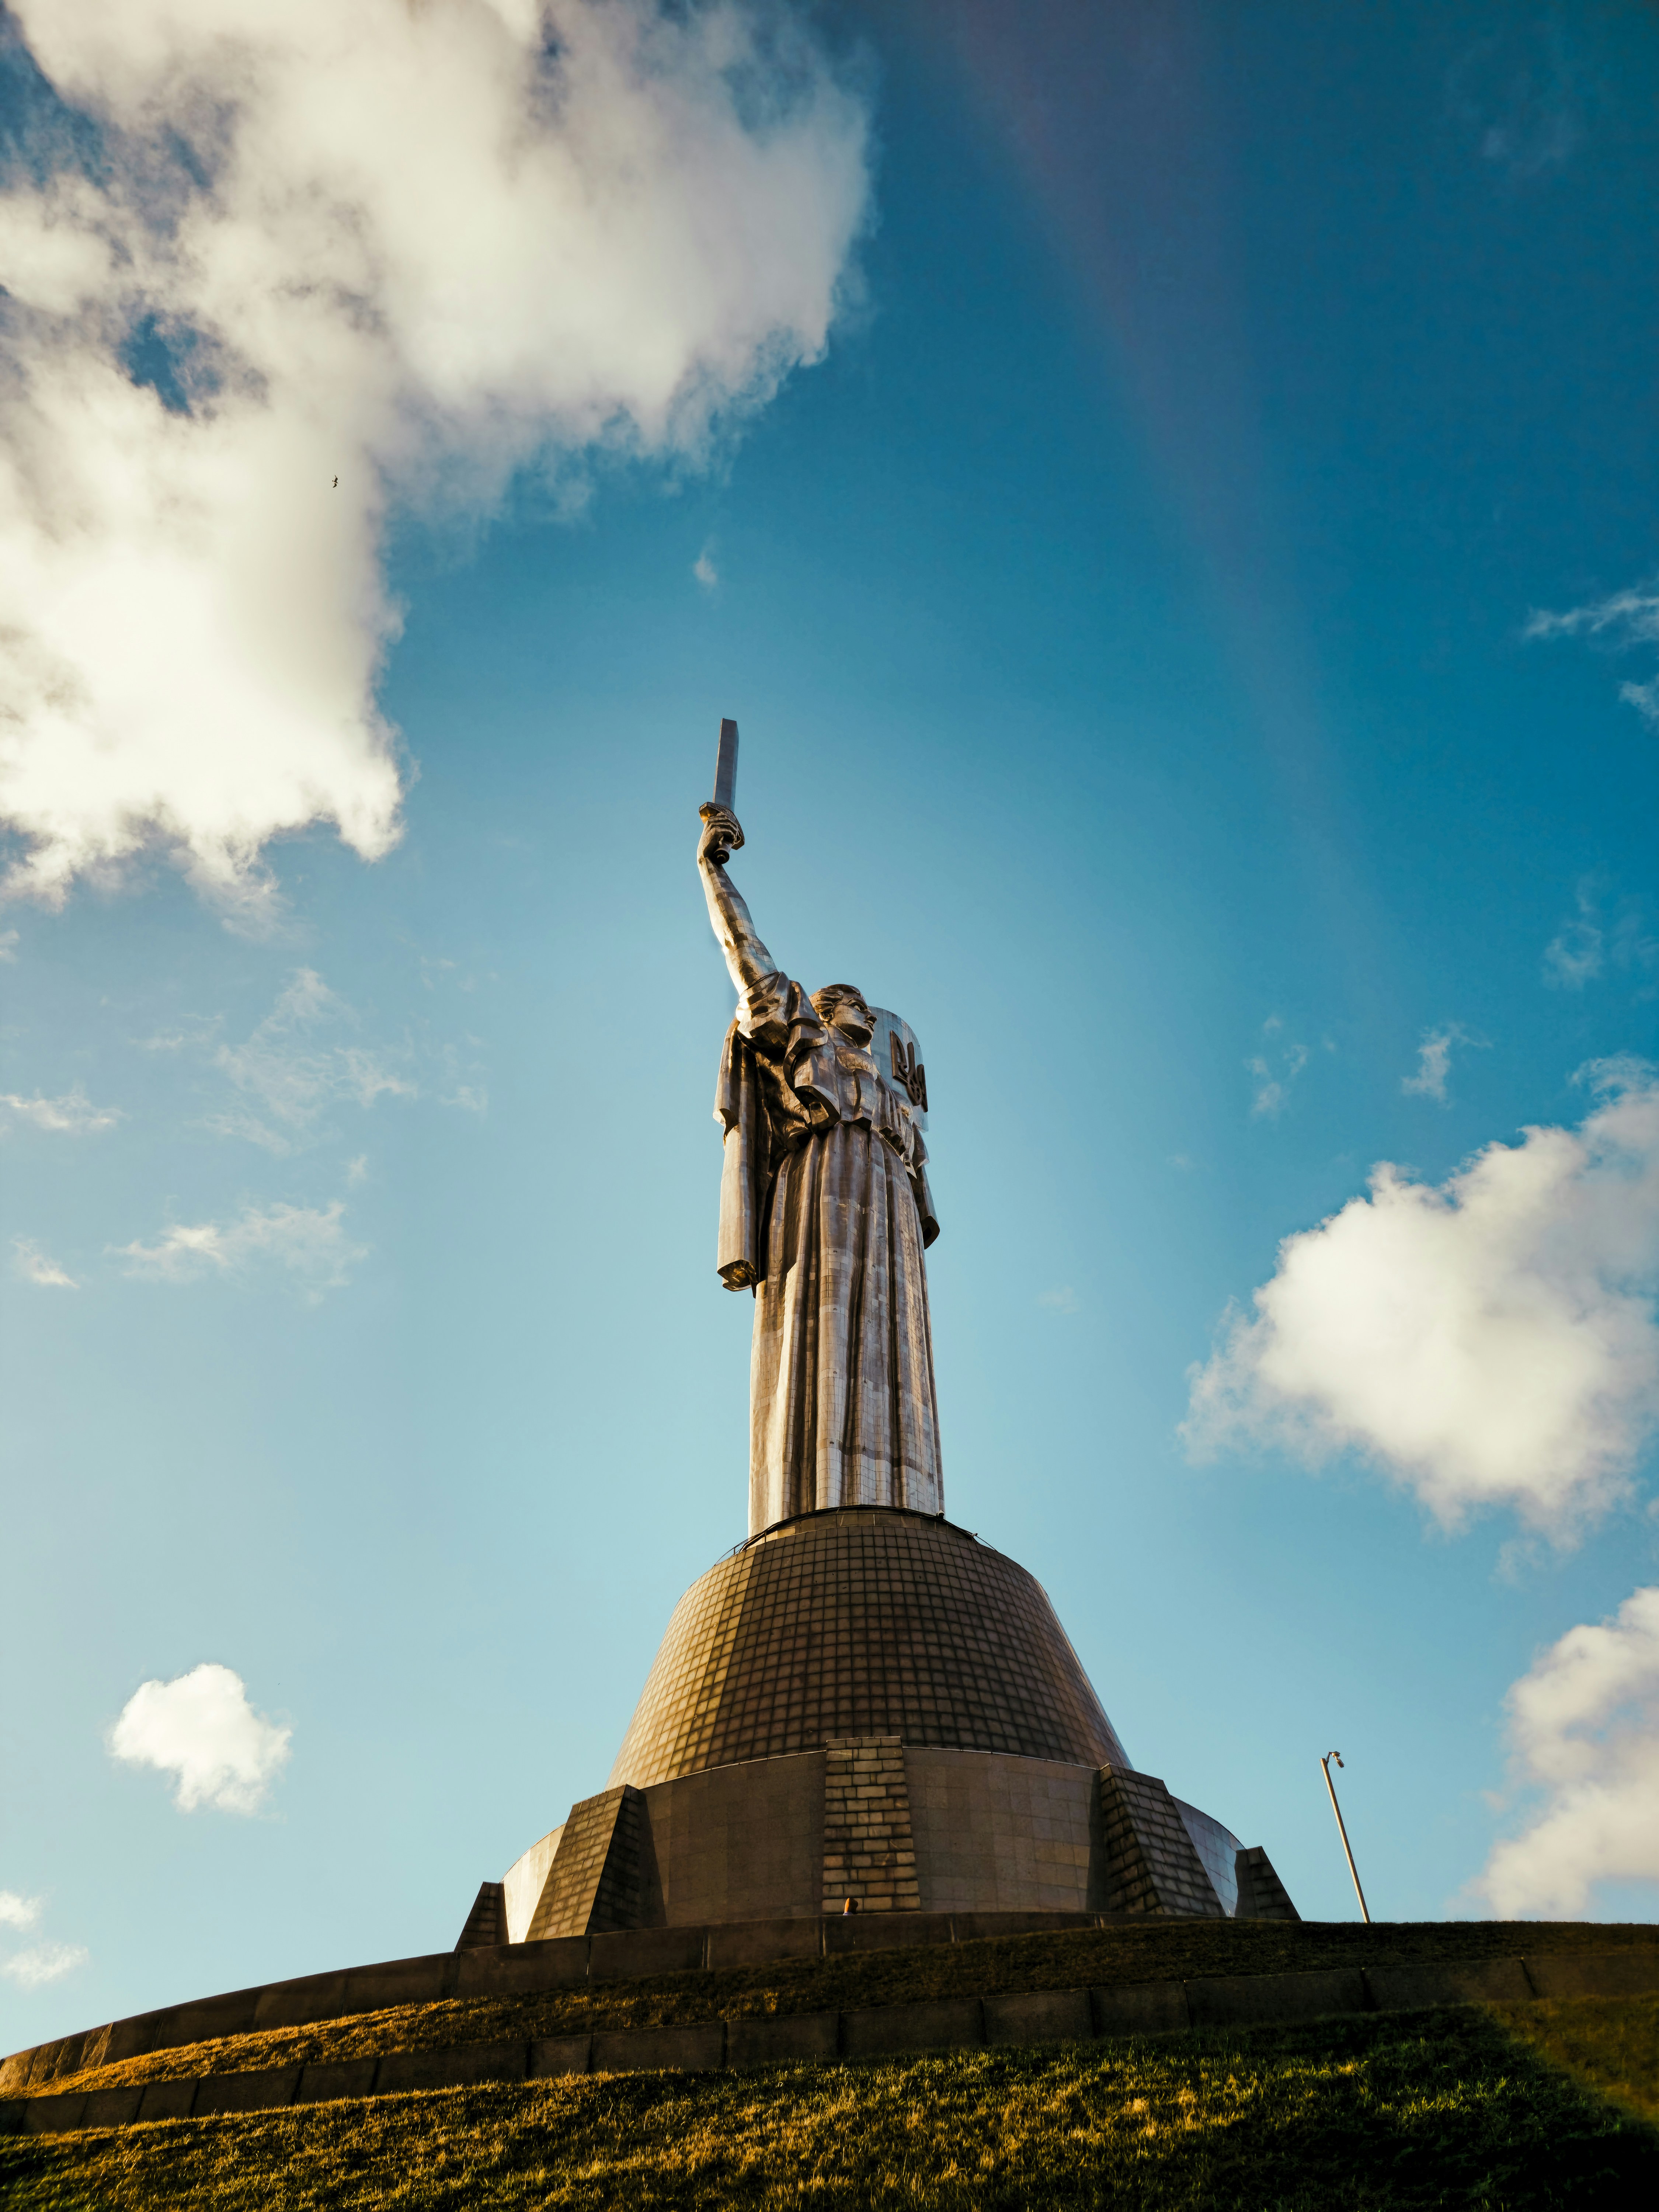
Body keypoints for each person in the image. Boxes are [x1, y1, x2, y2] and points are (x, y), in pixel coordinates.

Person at [698, 802, 943, 1535]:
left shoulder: (898, 1100)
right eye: (841, 998)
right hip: (825, 1184)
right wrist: (712, 871)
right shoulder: (810, 1048)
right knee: (824, 1329)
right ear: (824, 1012)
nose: (858, 1001)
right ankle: (818, 1499)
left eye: (863, 999)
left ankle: (899, 1503)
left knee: (892, 1348)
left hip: (890, 1209)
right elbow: (750, 962)